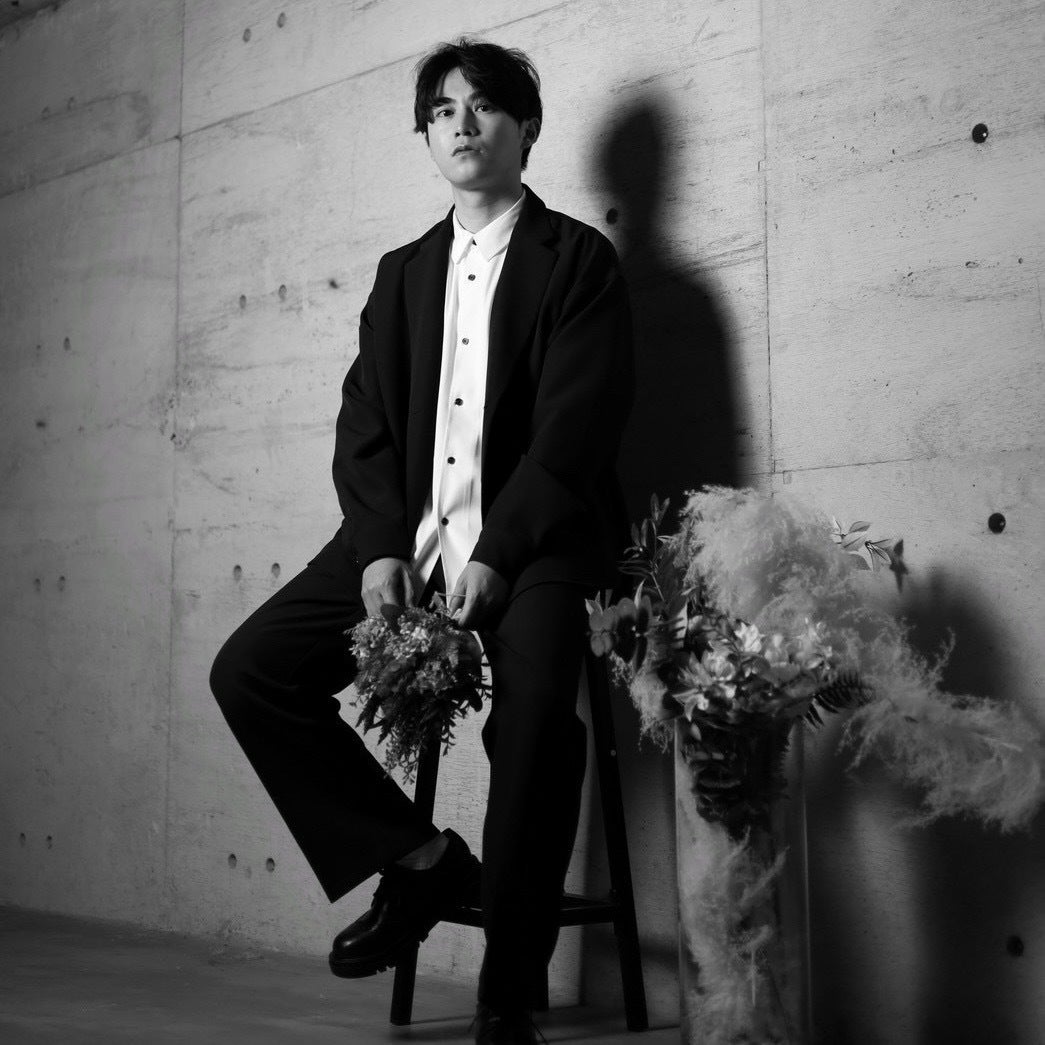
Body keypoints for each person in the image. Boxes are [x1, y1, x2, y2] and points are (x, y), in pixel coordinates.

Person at [209, 37, 633, 1045]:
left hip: (535, 546)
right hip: (406, 541)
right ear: (426, 135)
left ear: (526, 126)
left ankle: (507, 991)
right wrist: (375, 549)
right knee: (253, 670)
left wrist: (498, 551)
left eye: (484, 106)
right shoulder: (400, 274)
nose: (461, 123)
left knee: (534, 720)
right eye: (442, 110)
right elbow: (364, 428)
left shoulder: (579, 261)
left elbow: (574, 434)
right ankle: (423, 864)